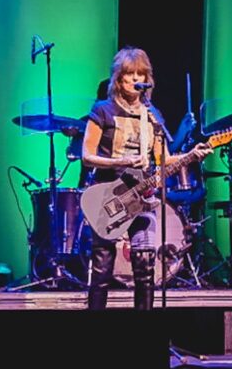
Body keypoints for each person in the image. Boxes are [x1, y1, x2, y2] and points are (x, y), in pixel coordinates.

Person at [82, 48, 212, 310]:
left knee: (145, 267)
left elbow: (164, 159)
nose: (135, 79)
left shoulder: (151, 115)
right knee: (103, 268)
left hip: (141, 197)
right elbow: (87, 156)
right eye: (130, 74)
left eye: (140, 74)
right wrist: (121, 162)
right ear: (118, 78)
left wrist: (191, 155)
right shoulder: (103, 110)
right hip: (107, 196)